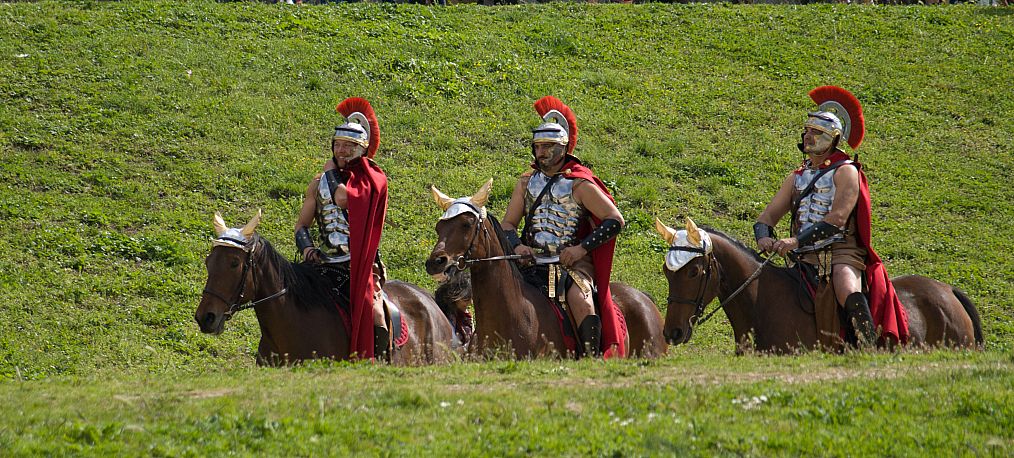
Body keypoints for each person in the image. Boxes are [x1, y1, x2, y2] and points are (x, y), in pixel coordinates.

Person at [754, 86, 908, 349]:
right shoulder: (796, 176)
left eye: (817, 132)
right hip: (804, 257)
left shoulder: (846, 171)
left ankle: (868, 347)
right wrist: (764, 236)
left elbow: (837, 219)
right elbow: (766, 216)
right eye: (807, 131)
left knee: (846, 288)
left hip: (841, 252)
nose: (808, 136)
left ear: (833, 138)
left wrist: (793, 241)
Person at [501, 96, 627, 359]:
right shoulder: (526, 182)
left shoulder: (579, 183)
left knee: (582, 302)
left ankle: (590, 359)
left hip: (569, 265)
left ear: (563, 148)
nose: (542, 152)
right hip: (531, 262)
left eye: (548, 146)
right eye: (538, 146)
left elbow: (614, 220)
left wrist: (581, 250)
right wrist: (518, 245)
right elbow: (508, 224)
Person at [294, 97, 390, 361]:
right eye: (338, 145)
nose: (342, 151)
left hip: (356, 263)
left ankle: (377, 359)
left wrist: (330, 174)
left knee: (376, 314)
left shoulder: (371, 179)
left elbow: (343, 199)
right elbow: (302, 225)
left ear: (361, 149)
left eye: (349, 146)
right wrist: (308, 248)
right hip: (323, 261)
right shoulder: (317, 183)